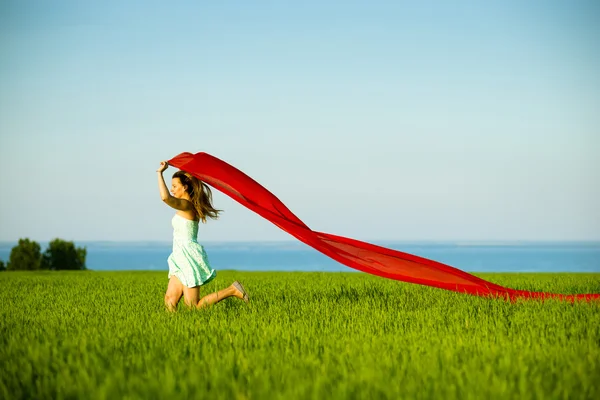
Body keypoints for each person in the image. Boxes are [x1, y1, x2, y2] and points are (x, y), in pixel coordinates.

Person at [156, 161, 249, 312]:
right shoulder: (185, 205)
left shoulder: (187, 206)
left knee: (193, 306)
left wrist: (160, 173)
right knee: (170, 300)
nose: (172, 189)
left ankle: (232, 290)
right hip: (179, 256)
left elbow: (165, 198)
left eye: (174, 186)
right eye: (171, 186)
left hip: (188, 257)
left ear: (184, 187)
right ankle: (174, 332)